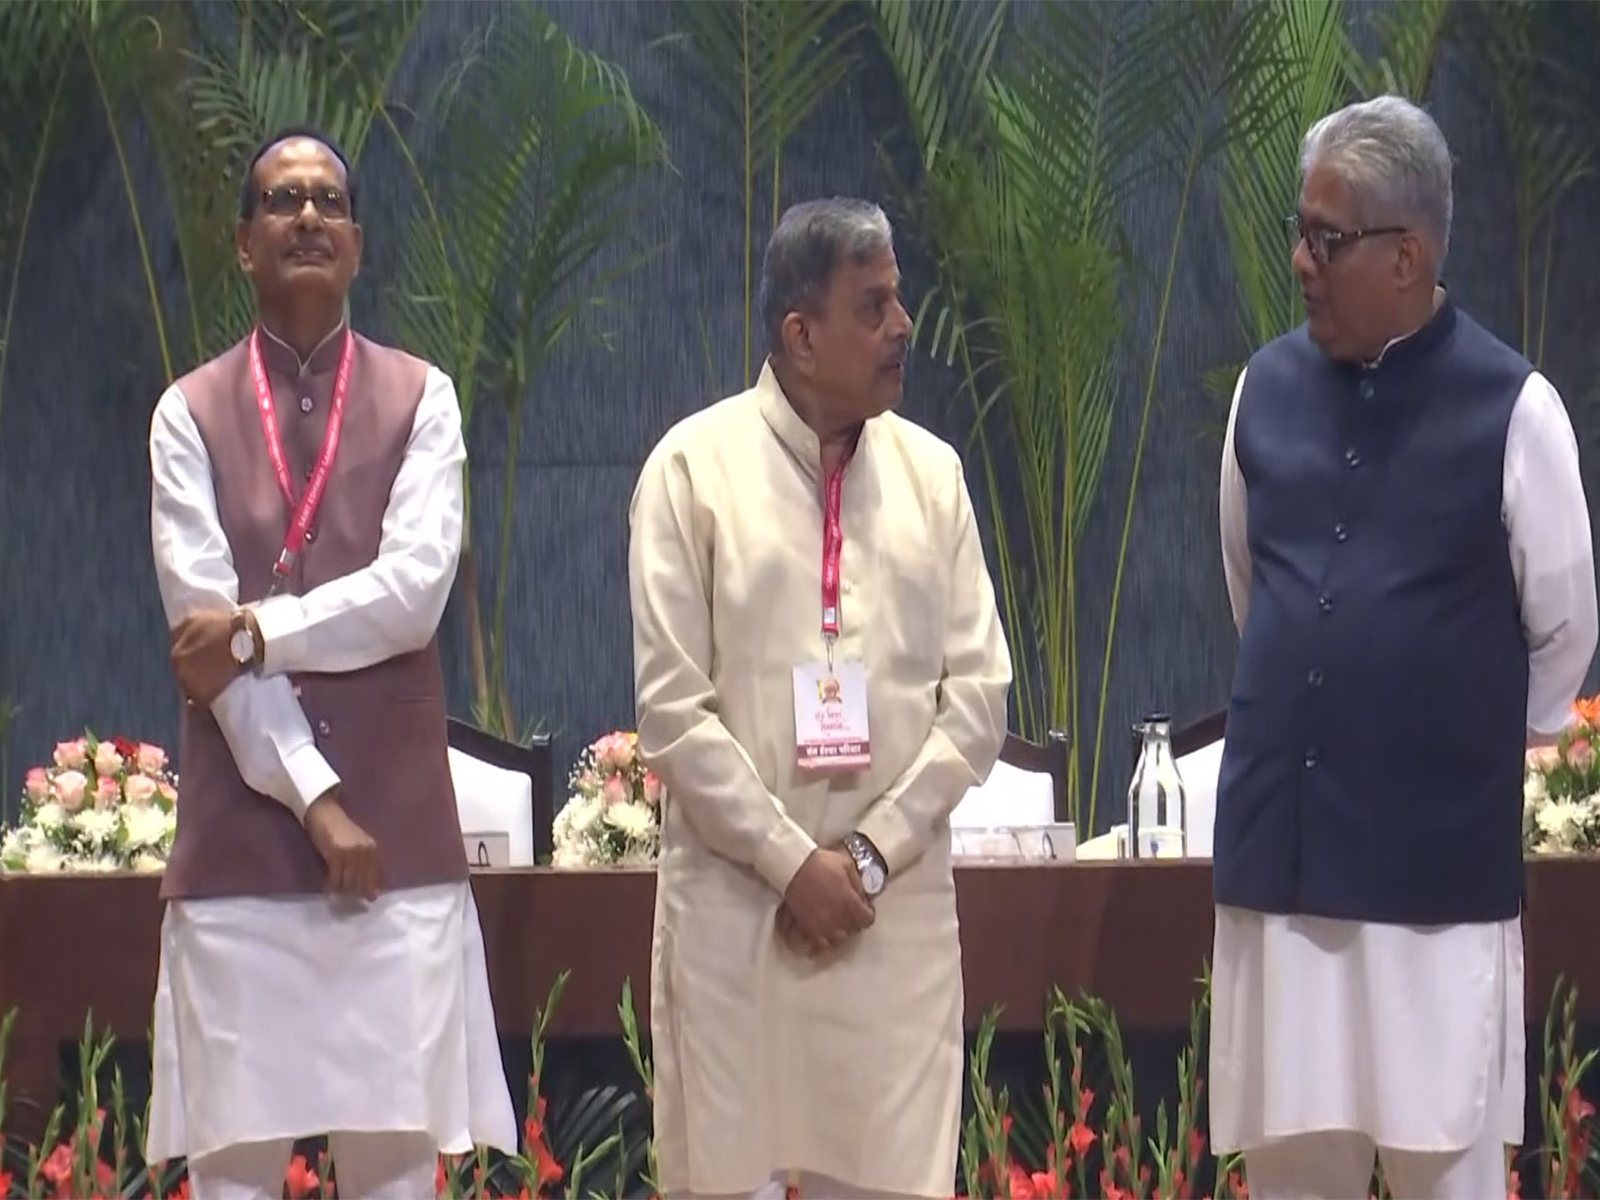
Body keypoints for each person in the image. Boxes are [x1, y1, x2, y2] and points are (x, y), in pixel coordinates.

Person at [1210, 95, 1598, 1199]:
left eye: (1324, 239)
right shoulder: (1262, 390)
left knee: (1446, 1168)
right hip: (1282, 881)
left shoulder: (1515, 409)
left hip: (1434, 890)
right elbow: (1254, 588)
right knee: (1290, 1170)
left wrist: (1461, 738)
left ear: (1406, 253)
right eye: (1301, 230)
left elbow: (1564, 627)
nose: (1299, 260)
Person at [145, 127, 516, 1198]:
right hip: (241, 857)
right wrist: (315, 801)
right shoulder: (186, 414)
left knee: (398, 1165)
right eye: (280, 200)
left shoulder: (422, 397)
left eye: (327, 201)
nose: (306, 215)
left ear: (355, 242)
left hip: (395, 860)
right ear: (243, 244)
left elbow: (410, 597)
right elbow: (197, 645)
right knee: (233, 1175)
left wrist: (259, 630)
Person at [628, 197, 1012, 1199]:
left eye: (899, 299)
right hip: (737, 920)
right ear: (801, 334)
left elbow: (977, 701)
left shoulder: (934, 477)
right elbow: (672, 707)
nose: (904, 328)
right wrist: (791, 863)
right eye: (875, 305)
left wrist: (869, 859)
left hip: (893, 930)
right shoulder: (691, 470)